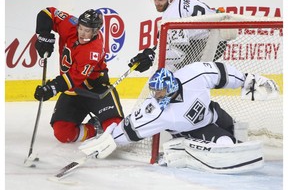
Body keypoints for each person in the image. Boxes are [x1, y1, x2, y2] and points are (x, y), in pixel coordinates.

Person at [79, 61, 279, 172]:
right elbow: (132, 129)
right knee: (225, 142)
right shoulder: (154, 110)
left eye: (160, 92)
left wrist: (247, 81)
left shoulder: (193, 75)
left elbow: (221, 74)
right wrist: (110, 140)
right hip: (193, 130)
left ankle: (229, 143)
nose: (157, 96)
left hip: (213, 112)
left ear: (171, 86)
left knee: (238, 133)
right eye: (154, 92)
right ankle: (183, 148)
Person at [33, 7, 124, 143]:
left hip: (96, 91)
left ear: (96, 31)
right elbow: (47, 13)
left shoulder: (93, 50)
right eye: (80, 28)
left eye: (87, 31)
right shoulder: (71, 26)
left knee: (115, 129)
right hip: (73, 92)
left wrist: (51, 88)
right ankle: (95, 127)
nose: (81, 33)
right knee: (63, 133)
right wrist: (43, 34)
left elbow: (73, 78)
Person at [129, 0, 228, 73]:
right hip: (208, 30)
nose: (157, 3)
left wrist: (153, 57)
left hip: (214, 40)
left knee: (177, 73)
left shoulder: (173, 16)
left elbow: (180, 54)